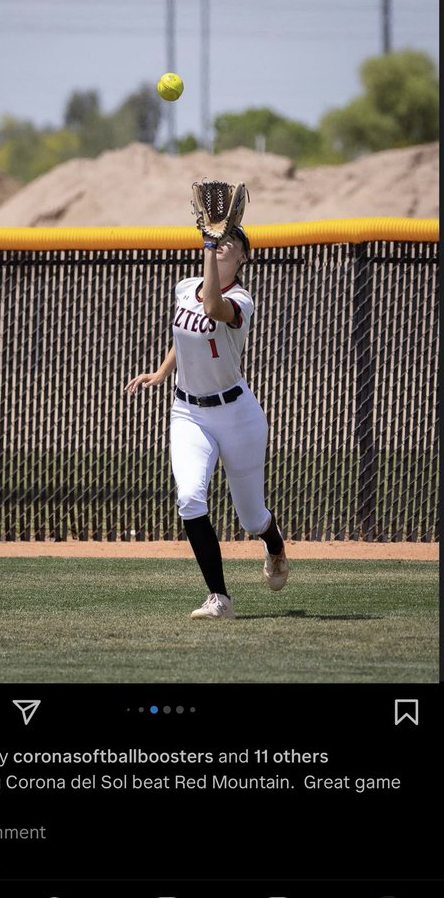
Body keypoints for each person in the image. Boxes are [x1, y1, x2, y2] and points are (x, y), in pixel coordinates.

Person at [126, 199, 289, 618]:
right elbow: (186, 337)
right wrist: (161, 373)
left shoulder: (242, 301)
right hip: (188, 412)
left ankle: (273, 544)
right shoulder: (184, 287)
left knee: (251, 517)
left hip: (237, 414)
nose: (221, 243)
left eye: (230, 240)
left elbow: (213, 309)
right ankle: (220, 598)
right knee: (190, 498)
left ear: (244, 256)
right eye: (218, 239)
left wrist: (207, 245)